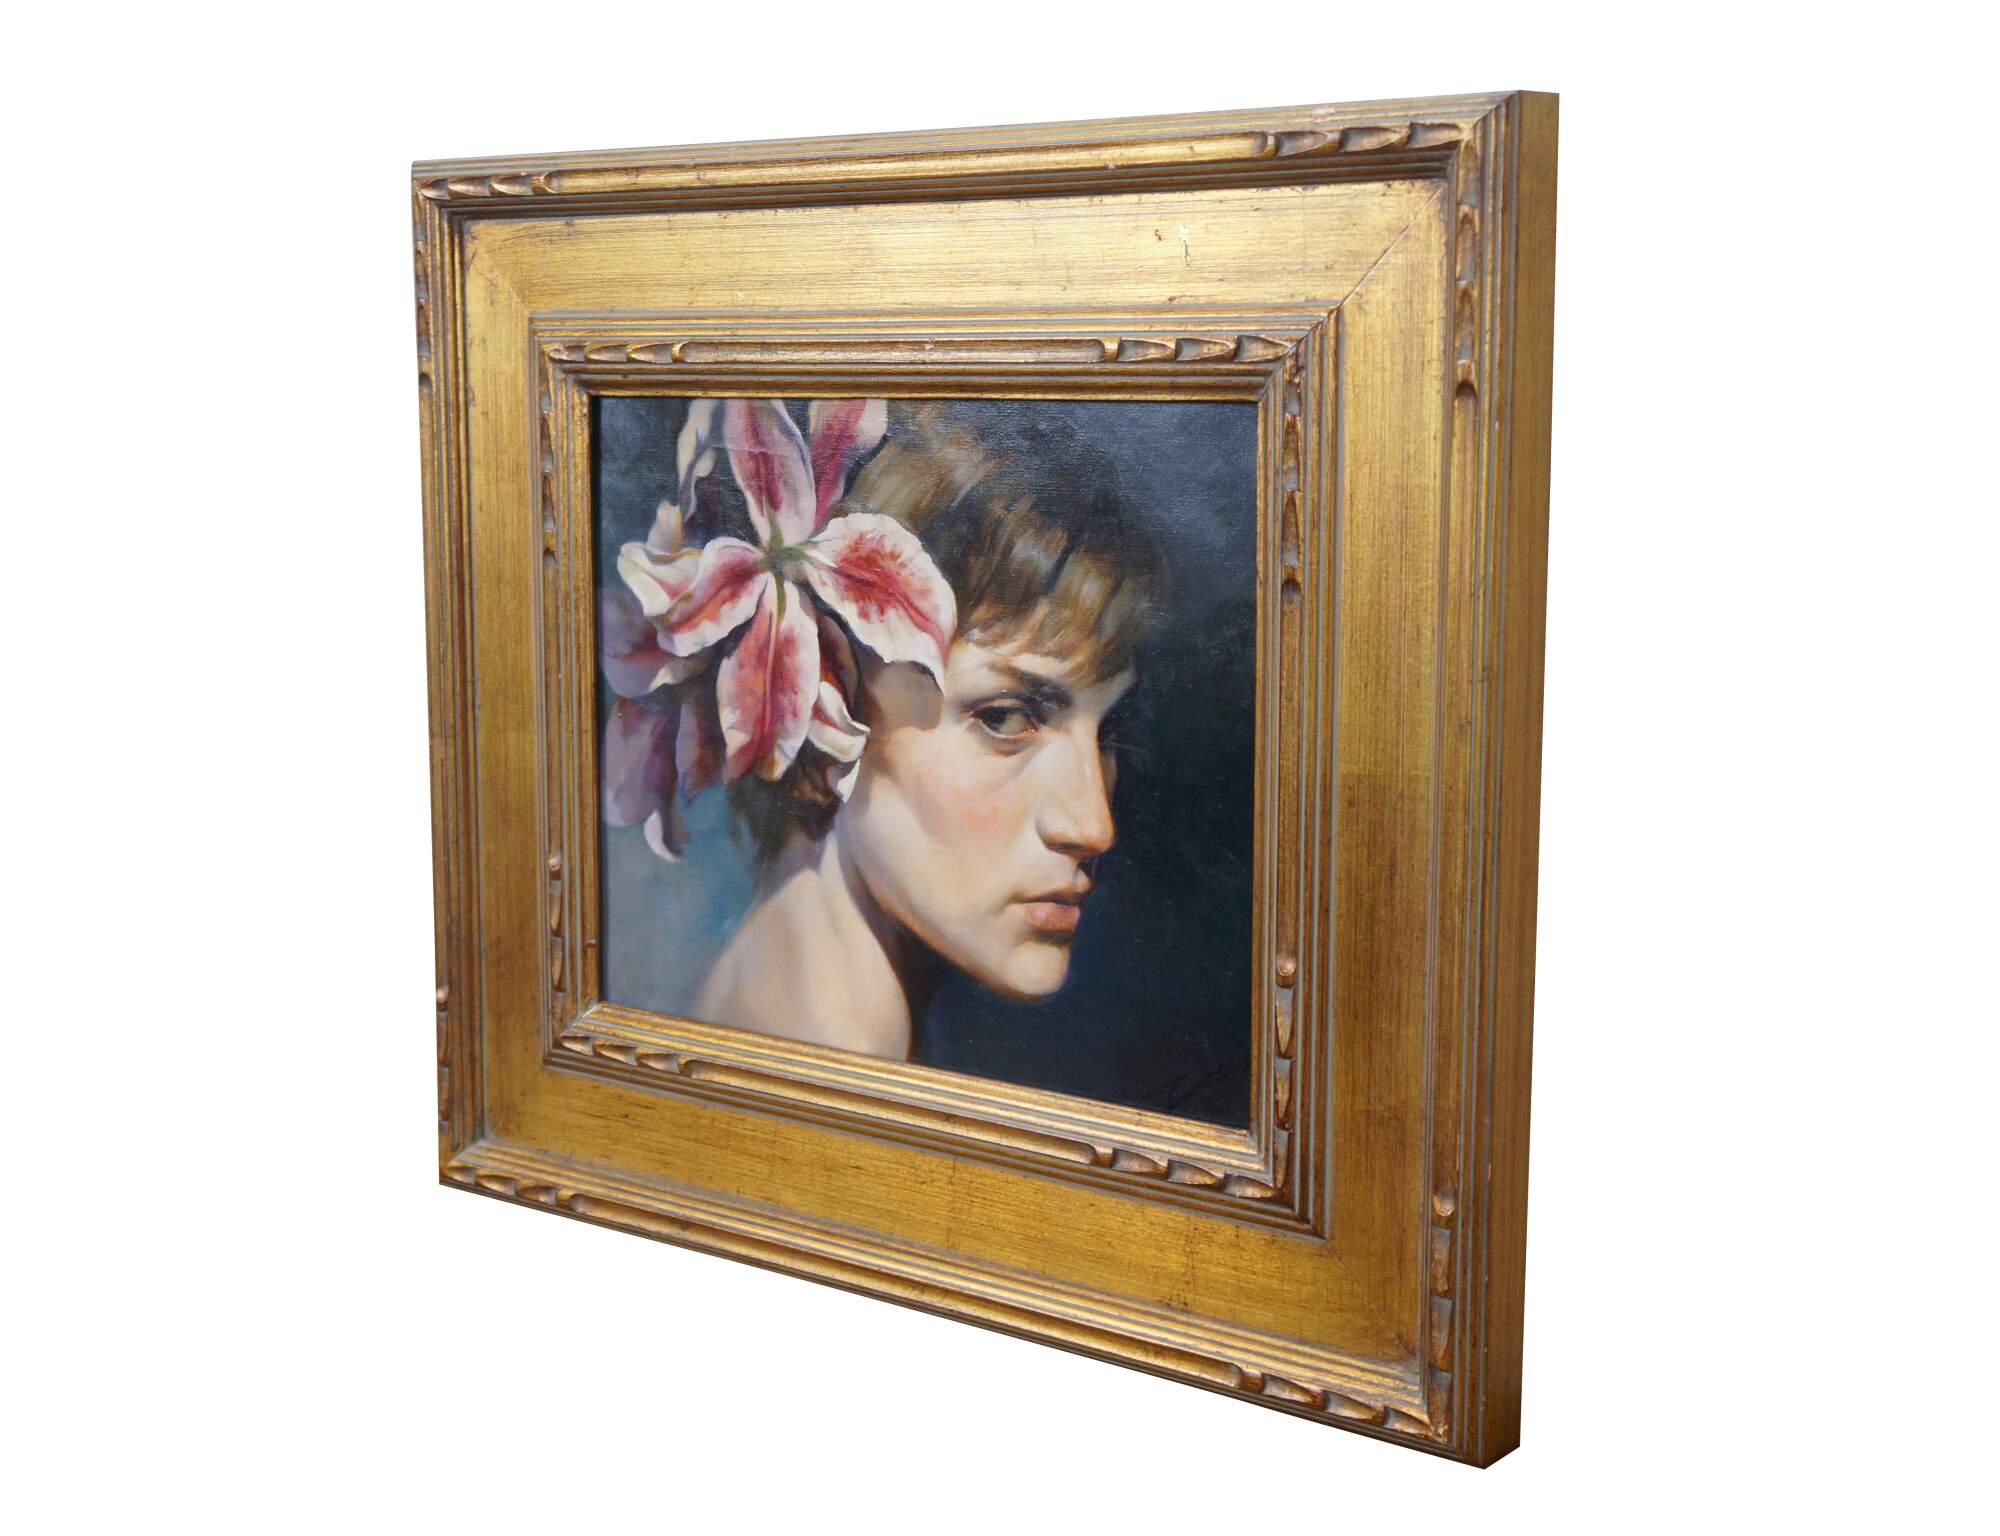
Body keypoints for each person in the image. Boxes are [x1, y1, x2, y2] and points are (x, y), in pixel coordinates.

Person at [602, 398, 1166, 1059]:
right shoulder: (834, 1061)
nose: (1094, 825)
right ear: (813, 711)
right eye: (1005, 717)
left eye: (1106, 732)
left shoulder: (770, 1008)